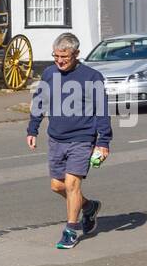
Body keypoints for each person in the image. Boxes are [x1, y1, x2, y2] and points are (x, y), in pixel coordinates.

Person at [26, 32, 112, 249]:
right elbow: (39, 102)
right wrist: (32, 129)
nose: (60, 61)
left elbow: (102, 110)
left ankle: (71, 230)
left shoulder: (92, 77)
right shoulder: (48, 73)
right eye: (56, 57)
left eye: (64, 57)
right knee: (57, 186)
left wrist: (103, 142)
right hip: (56, 137)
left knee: (73, 184)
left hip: (82, 138)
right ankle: (89, 206)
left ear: (77, 54)